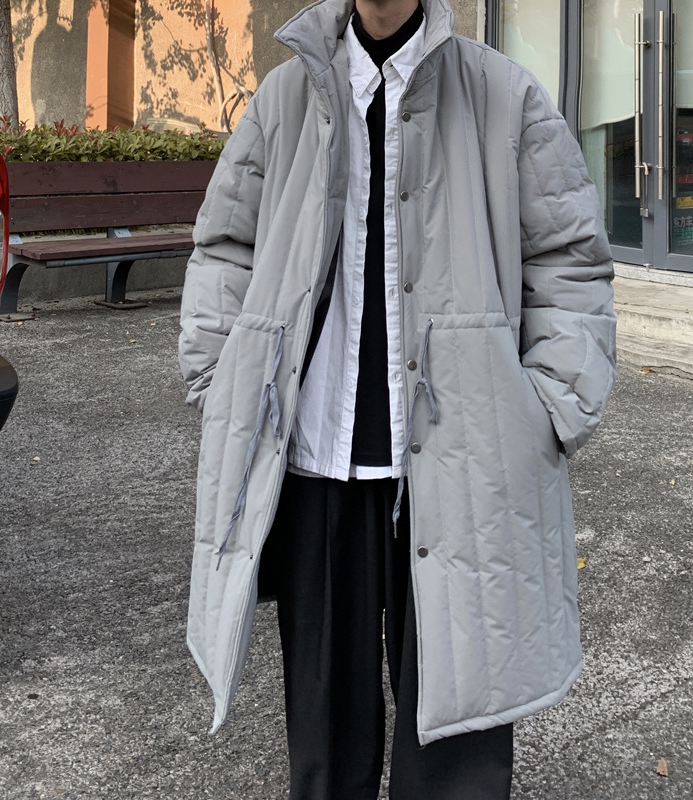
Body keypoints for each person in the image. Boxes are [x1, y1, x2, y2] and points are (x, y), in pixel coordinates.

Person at [178, 0, 616, 796]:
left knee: (459, 749)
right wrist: (219, 383)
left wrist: (548, 410)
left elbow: (570, 261)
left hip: (468, 473)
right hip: (314, 466)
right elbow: (225, 249)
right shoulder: (283, 100)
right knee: (324, 747)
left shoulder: (506, 97)